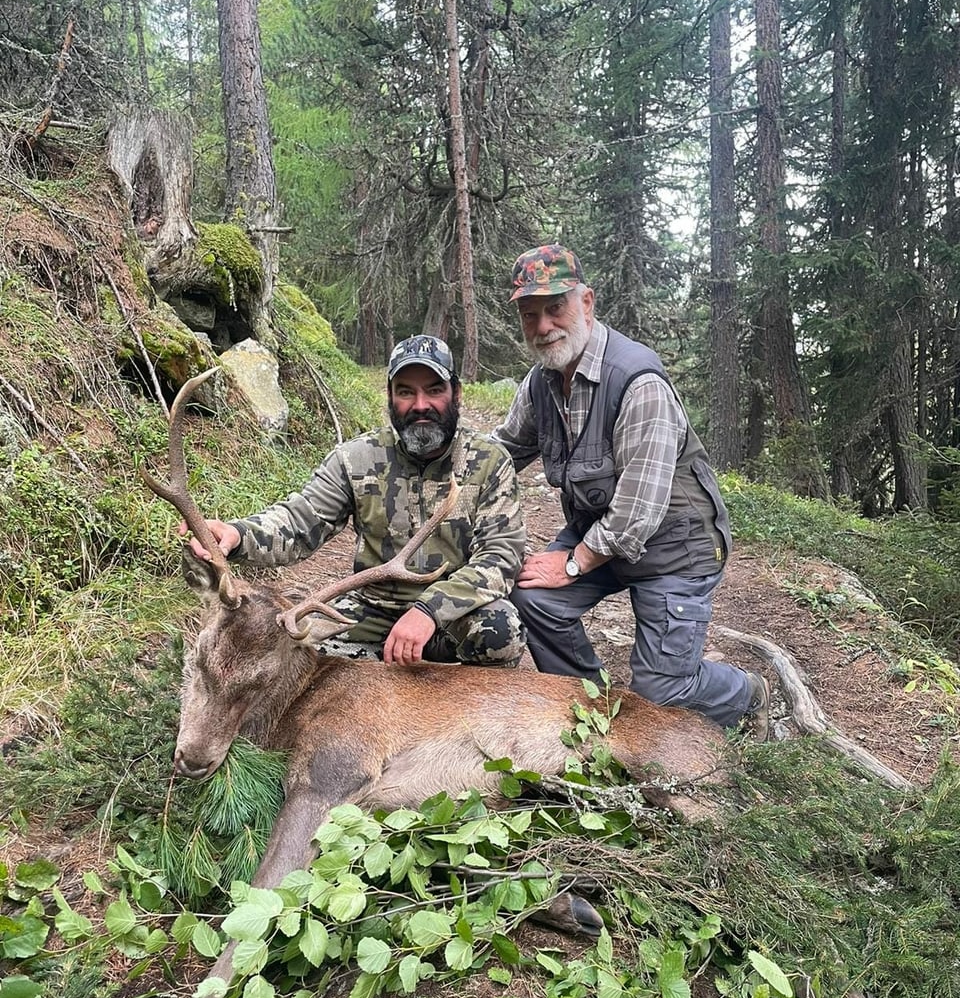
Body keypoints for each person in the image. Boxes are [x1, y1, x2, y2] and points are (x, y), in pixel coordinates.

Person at [492, 244, 770, 734]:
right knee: (532, 598)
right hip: (600, 533)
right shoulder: (541, 382)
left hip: (675, 548)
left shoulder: (637, 382)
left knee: (661, 691)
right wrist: (444, 472)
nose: (542, 327)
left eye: (555, 308)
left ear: (586, 303)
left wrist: (573, 562)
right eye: (529, 314)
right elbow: (502, 452)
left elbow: (636, 517)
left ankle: (745, 693)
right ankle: (596, 715)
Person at [185, 335, 526, 668]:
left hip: (456, 612)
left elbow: (501, 556)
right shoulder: (357, 459)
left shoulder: (489, 460)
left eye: (434, 390)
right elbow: (301, 520)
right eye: (406, 391)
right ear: (390, 397)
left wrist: (430, 610)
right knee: (298, 650)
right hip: (375, 610)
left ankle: (468, 717)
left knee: (501, 632)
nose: (420, 405)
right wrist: (239, 534)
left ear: (457, 393)